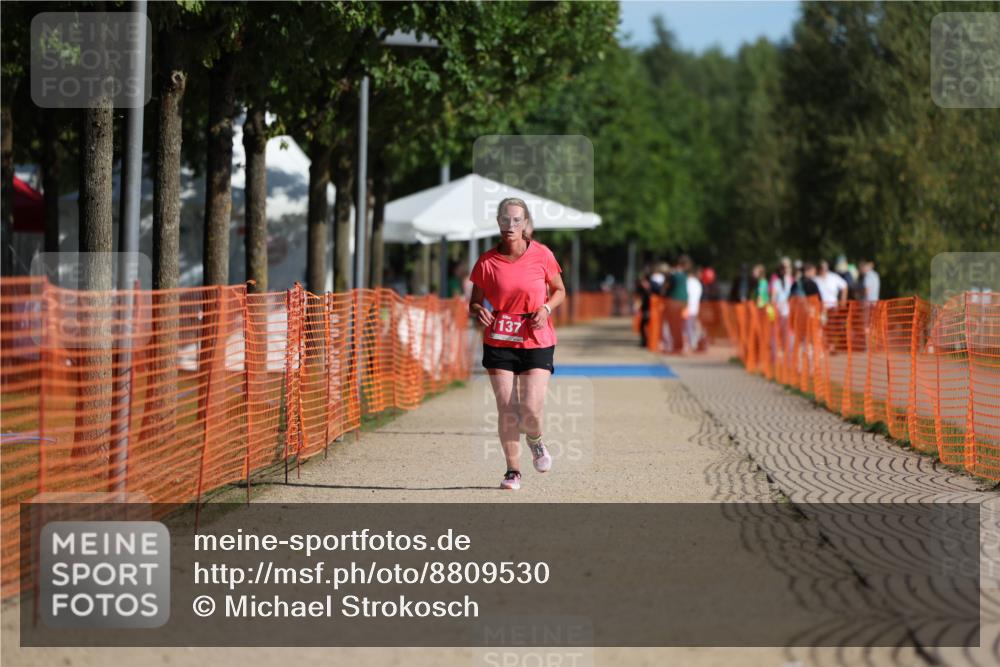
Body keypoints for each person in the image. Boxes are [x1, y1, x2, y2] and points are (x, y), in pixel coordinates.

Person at [469, 197, 566, 491]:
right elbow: (474, 302)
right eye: (505, 219)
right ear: (498, 222)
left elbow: (560, 290)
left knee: (531, 409)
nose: (510, 225)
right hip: (499, 339)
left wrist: (546, 308)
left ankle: (536, 442)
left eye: (516, 220)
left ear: (525, 225)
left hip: (536, 337)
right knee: (507, 408)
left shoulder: (542, 255)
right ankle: (513, 471)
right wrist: (479, 310)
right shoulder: (486, 262)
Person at [664, 256, 690, 354]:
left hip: (674, 304)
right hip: (682, 304)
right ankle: (679, 345)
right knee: (681, 326)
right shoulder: (683, 275)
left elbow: (667, 287)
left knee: (675, 326)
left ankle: (677, 345)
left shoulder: (675, 275)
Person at [685, 265, 704, 352]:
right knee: (692, 326)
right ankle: (693, 342)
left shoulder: (690, 282)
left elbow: (687, 294)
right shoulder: (698, 283)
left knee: (688, 327)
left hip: (688, 308)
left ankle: (691, 343)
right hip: (694, 308)